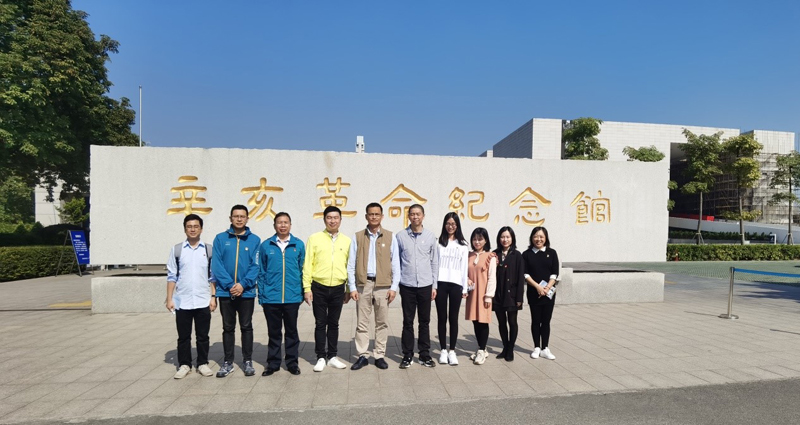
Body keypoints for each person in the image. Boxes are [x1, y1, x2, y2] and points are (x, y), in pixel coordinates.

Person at [346, 203, 400, 371]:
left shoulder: (390, 236)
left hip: (383, 285)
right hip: (364, 285)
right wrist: (352, 287)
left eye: (377, 214)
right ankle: (362, 355)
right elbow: (351, 264)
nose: (374, 217)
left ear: (382, 216)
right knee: (362, 322)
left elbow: (396, 263)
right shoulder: (358, 237)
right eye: (371, 214)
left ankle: (379, 355)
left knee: (381, 322)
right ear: (366, 216)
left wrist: (394, 287)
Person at [212, 205, 261, 377]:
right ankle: (228, 362)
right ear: (230, 218)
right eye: (236, 216)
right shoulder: (220, 239)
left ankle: (247, 361)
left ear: (247, 218)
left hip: (246, 292)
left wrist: (243, 285)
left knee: (246, 326)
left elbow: (256, 266)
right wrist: (229, 285)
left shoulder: (255, 240)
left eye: (242, 216)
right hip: (226, 292)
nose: (239, 219)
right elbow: (216, 265)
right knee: (228, 327)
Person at [166, 214, 216, 379]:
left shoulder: (208, 250)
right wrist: (169, 298)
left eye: (196, 226)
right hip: (183, 300)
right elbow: (172, 276)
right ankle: (184, 364)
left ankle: (202, 363)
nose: (193, 229)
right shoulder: (177, 250)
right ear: (185, 229)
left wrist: (213, 297)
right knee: (183, 336)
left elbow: (212, 276)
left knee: (203, 336)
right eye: (189, 226)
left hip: (203, 299)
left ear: (201, 229)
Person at [303, 206, 352, 372]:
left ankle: (332, 356)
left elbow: (349, 266)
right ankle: (320, 357)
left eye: (336, 218)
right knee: (320, 323)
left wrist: (348, 288)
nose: (333, 221)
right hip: (319, 286)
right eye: (329, 218)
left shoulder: (347, 241)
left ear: (340, 220)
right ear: (324, 219)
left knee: (334, 323)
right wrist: (307, 288)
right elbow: (308, 264)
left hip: (338, 287)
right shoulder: (314, 238)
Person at [255, 212, 304, 376]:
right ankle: (273, 363)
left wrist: (301, 292)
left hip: (292, 296)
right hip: (271, 297)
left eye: (286, 222)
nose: (283, 225)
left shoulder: (298, 245)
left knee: (292, 332)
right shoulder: (266, 245)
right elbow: (261, 272)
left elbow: (302, 270)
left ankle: (292, 363)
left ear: (290, 224)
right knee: (274, 332)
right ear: (274, 225)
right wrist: (262, 295)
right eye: (279, 222)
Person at [394, 204, 439, 368]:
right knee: (408, 321)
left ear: (423, 216)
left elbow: (434, 262)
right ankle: (407, 355)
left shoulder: (430, 236)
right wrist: (396, 284)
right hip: (407, 285)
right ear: (408, 216)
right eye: (412, 214)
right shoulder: (400, 236)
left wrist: (434, 285)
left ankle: (424, 354)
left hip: (426, 285)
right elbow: (396, 262)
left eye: (418, 214)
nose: (415, 217)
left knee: (424, 321)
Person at [435, 212, 469, 365]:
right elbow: (434, 264)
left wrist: (464, 288)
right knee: (441, 317)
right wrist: (434, 285)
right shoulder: (438, 242)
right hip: (441, 283)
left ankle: (452, 351)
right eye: (448, 223)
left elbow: (464, 267)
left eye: (453, 224)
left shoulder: (463, 244)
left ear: (457, 225)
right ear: (444, 225)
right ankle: (443, 350)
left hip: (456, 285)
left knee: (453, 318)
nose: (450, 226)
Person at [522, 226, 560, 360]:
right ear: (532, 238)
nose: (538, 239)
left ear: (546, 238)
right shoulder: (526, 254)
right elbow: (525, 274)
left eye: (541, 237)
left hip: (548, 294)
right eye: (536, 236)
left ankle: (545, 348)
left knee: (546, 321)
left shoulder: (552, 253)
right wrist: (537, 287)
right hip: (534, 293)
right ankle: (536, 347)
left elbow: (554, 273)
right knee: (535, 320)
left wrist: (547, 288)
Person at [465, 227, 496, 365]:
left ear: (486, 240)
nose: (477, 242)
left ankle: (482, 350)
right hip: (472, 293)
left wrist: (489, 295)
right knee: (475, 320)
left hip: (484, 294)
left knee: (483, 321)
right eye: (475, 239)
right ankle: (481, 348)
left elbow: (492, 277)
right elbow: (463, 272)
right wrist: (466, 279)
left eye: (480, 239)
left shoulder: (491, 256)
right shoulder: (468, 255)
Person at [493, 226, 524, 361]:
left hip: (512, 295)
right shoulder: (494, 254)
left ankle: (510, 348)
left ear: (512, 238)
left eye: (507, 237)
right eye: (502, 237)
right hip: (498, 294)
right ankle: (505, 347)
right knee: (501, 322)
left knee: (512, 321)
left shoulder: (517, 255)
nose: (505, 239)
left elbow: (521, 278)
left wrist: (519, 298)